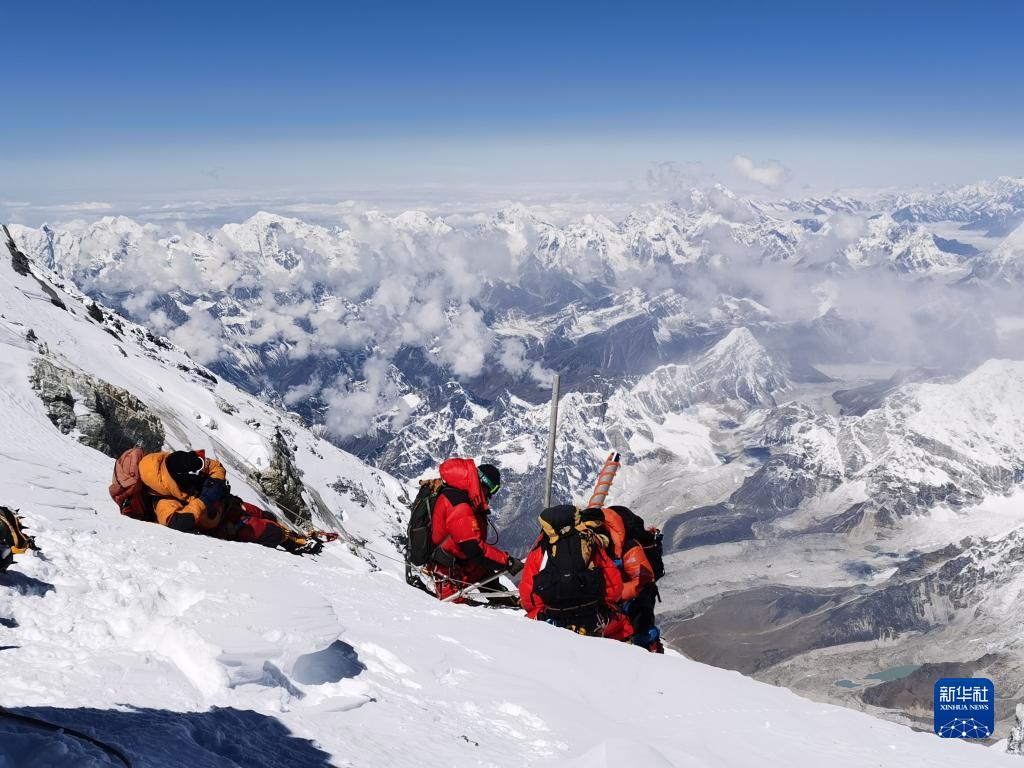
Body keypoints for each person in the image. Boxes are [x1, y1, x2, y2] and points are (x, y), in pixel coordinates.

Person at [137, 450, 317, 554]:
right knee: (270, 531)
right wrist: (204, 500)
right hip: (224, 525)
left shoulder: (180, 464)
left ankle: (296, 539)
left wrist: (215, 483)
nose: (197, 472)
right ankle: (294, 544)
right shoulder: (164, 502)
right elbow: (179, 521)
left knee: (267, 516)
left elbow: (214, 466)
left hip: (229, 505)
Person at [519, 505, 633, 640]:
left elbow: (529, 597)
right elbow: (614, 587)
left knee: (525, 625)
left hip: (552, 617)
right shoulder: (588, 542)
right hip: (594, 617)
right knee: (625, 626)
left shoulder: (540, 549)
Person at [426, 458, 520, 601]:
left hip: (459, 561)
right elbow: (475, 549)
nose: (491, 495)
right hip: (446, 571)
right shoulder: (460, 507)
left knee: (483, 569)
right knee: (458, 612)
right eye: (492, 490)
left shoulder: (460, 493)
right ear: (484, 485)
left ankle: (502, 598)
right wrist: (508, 561)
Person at [605, 505, 664, 653]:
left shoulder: (628, 547)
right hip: (629, 602)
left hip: (636, 602)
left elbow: (642, 580)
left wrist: (613, 594)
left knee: (641, 633)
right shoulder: (616, 544)